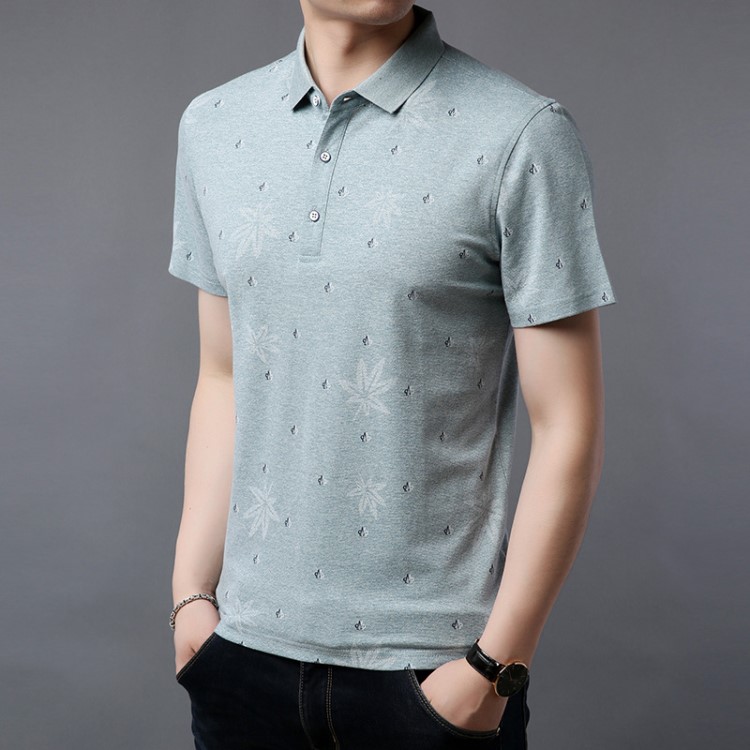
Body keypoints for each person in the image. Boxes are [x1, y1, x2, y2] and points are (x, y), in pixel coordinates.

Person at [167, 2, 617, 748]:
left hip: (433, 673)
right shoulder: (214, 125)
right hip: (241, 659)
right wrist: (190, 595)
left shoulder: (522, 134)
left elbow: (569, 425)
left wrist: (494, 666)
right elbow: (223, 374)